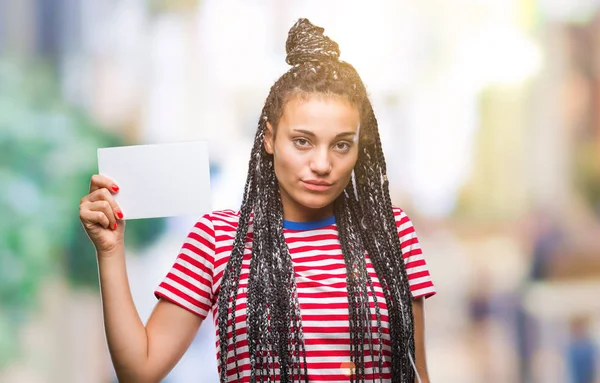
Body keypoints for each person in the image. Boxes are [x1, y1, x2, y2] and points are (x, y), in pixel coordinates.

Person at [79, 18, 436, 383]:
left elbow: (417, 373)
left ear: (360, 149)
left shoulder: (391, 232)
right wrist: (109, 252)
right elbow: (139, 371)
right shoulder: (217, 237)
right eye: (303, 141)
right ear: (269, 138)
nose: (322, 164)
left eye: (341, 144)